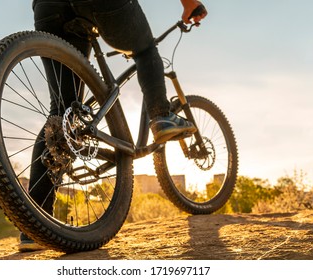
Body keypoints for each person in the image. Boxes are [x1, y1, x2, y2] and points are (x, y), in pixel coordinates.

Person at [18, 0, 207, 252]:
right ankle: (161, 116)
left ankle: (34, 228)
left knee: (61, 112)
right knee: (145, 49)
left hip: (47, 6)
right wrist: (190, 4)